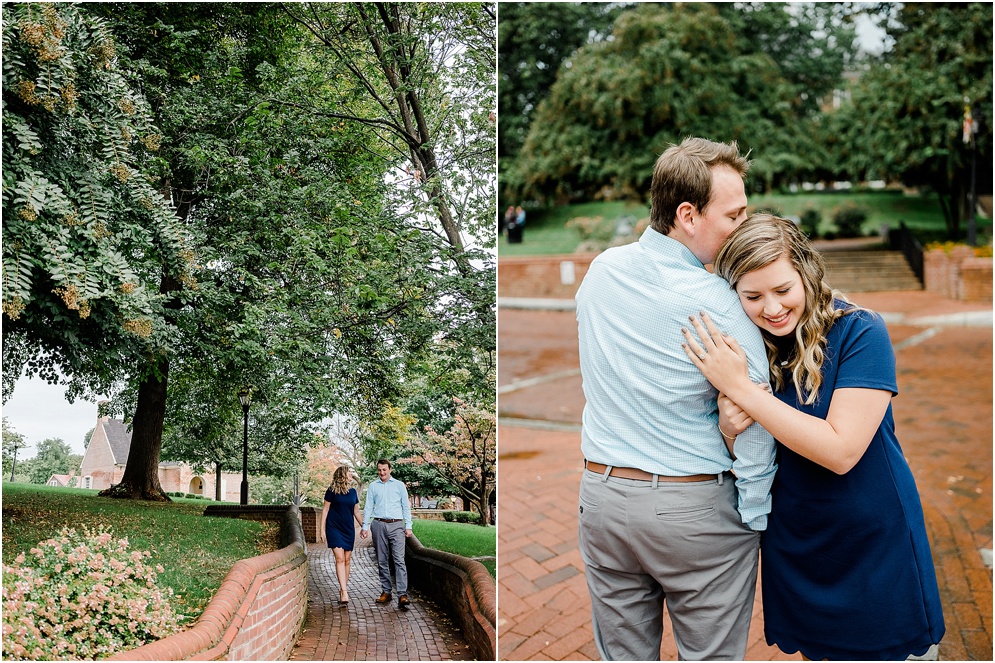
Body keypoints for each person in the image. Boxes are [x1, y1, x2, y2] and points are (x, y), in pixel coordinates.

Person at [680, 213, 945, 661]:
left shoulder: (861, 331)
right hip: (798, 543)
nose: (772, 308)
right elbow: (739, 454)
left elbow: (841, 450)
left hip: (871, 545)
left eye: (783, 290)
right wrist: (727, 430)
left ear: (805, 272)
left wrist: (743, 390)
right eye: (752, 296)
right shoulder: (747, 347)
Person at [575, 136, 777, 661]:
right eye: (734, 215)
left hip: (602, 499)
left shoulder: (600, 273)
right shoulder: (720, 303)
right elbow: (753, 420)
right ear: (688, 215)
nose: (743, 226)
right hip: (694, 515)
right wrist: (756, 513)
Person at [360, 458, 413, 611]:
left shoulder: (399, 485)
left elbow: (406, 507)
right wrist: (365, 526)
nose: (382, 472)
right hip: (378, 524)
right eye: (379, 470)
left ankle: (402, 594)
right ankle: (386, 591)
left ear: (390, 469)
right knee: (382, 560)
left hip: (397, 525)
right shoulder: (373, 486)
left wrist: (408, 526)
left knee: (399, 560)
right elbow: (368, 506)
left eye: (384, 469)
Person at [319, 466, 362, 604]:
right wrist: (322, 530)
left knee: (347, 560)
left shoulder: (353, 492)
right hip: (334, 528)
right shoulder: (331, 491)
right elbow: (325, 510)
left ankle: (343, 587)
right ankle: (344, 592)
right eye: (349, 472)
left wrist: (364, 526)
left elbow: (356, 512)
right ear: (343, 474)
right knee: (340, 559)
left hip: (348, 529)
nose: (351, 474)